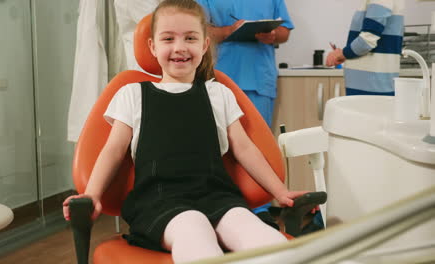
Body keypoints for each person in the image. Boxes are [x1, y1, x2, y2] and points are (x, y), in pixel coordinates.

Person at [63, 1, 311, 263]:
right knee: (194, 230)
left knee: (264, 240)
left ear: (204, 46)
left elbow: (245, 148)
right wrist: (92, 195)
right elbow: (112, 151)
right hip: (158, 203)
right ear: (152, 46)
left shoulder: (219, 94)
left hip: (218, 198)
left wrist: (280, 192)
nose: (179, 47)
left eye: (190, 38)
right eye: (168, 38)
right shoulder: (132, 95)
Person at [195, 0, 294, 127]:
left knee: (259, 141)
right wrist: (229, 30)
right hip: (217, 80)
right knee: (218, 141)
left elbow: (285, 32)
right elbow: (198, 30)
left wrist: (273, 35)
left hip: (259, 81)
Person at [325, 0, 405, 96]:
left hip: (371, 87)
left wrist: (342, 53)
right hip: (371, 85)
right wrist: (344, 54)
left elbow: (366, 41)